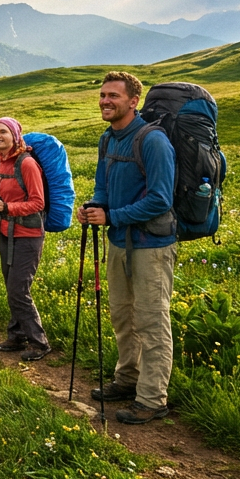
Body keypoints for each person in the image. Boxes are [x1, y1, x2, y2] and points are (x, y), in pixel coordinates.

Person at [77, 71, 177, 425]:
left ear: (134, 101)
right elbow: (102, 186)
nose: (105, 101)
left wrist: (112, 216)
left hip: (152, 246)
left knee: (151, 321)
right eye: (103, 95)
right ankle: (127, 378)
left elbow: (161, 200)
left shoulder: (152, 141)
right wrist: (94, 207)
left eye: (113, 96)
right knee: (122, 315)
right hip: (119, 241)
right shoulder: (108, 139)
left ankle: (152, 398)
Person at [0, 117, 51, 361]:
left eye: (3, 131)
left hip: (29, 234)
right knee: (11, 286)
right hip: (6, 232)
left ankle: (39, 342)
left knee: (18, 290)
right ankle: (17, 335)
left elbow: (38, 203)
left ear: (15, 135)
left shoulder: (27, 164)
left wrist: (6, 208)